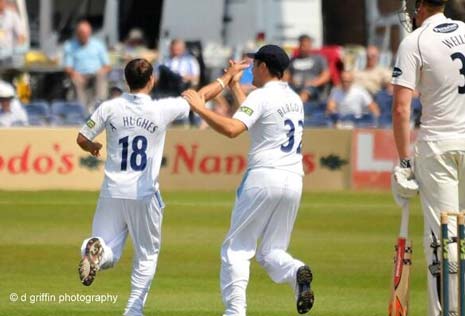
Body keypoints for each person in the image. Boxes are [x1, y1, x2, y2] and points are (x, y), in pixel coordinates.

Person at [76, 58, 244, 316]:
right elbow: (200, 97)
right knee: (146, 255)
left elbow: (82, 138)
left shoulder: (109, 108)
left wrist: (93, 147)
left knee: (108, 251)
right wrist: (227, 78)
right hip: (144, 194)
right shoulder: (162, 108)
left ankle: (93, 248)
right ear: (151, 81)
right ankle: (133, 310)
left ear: (125, 80)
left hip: (111, 191)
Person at [182, 44, 314, 316]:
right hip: (293, 179)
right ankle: (296, 270)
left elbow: (233, 129)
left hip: (264, 177)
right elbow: (256, 117)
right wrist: (233, 86)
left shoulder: (262, 96)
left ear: (264, 67)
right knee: (271, 251)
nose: (250, 69)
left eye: (254, 65)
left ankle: (235, 312)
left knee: (237, 249)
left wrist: (199, 108)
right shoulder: (293, 99)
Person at [391, 1, 465, 315]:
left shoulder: (414, 41)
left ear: (420, 7)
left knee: (443, 239)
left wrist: (405, 161)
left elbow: (401, 108)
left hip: (438, 146)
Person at [64, 20, 111, 112]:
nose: (84, 36)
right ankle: (82, 109)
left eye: (86, 33)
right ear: (77, 34)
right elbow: (68, 68)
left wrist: (101, 71)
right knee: (75, 79)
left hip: (95, 74)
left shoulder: (98, 45)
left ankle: (99, 105)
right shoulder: (69, 46)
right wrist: (75, 73)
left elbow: (107, 66)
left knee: (100, 75)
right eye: (82, 33)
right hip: (79, 75)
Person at [289, 34, 331, 102]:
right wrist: (291, 81)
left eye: (305, 46)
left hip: (313, 89)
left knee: (307, 90)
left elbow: (326, 76)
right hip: (296, 87)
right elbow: (286, 75)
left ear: (310, 46)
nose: (303, 48)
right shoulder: (292, 60)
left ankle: (299, 106)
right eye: (302, 45)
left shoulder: (319, 59)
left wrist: (313, 83)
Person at [0, 0, 25, 66]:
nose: (2, 3)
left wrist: (18, 52)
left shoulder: (12, 16)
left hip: (7, 54)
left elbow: (21, 36)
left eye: (2, 1)